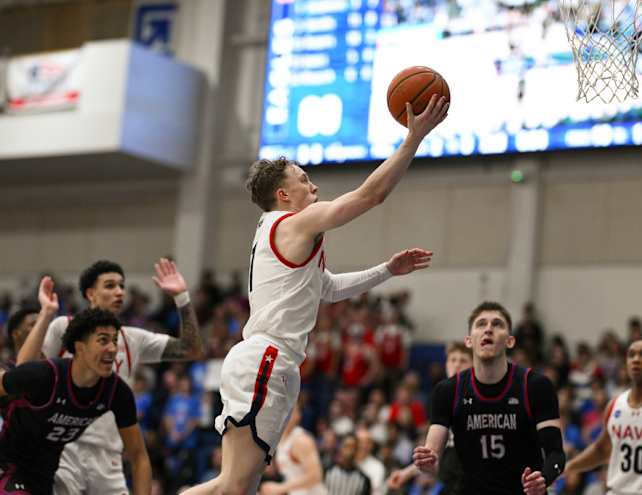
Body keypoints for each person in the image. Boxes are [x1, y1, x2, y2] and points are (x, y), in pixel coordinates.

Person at [182, 94, 449, 495]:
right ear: (284, 195)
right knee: (233, 488)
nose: (314, 185)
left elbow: (328, 288)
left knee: (235, 487)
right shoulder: (291, 225)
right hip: (266, 360)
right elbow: (369, 196)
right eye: (305, 180)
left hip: (271, 362)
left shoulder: (283, 233)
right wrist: (413, 140)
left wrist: (387, 270)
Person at [16, 258, 202, 495]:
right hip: (64, 451)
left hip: (108, 458)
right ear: (90, 293)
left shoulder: (134, 338)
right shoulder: (65, 327)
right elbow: (23, 372)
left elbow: (191, 349)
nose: (119, 292)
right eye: (110, 285)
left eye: (122, 286)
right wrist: (46, 315)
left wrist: (182, 298)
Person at [0, 277, 151, 495]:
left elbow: (139, 457)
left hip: (43, 474)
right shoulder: (46, 375)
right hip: (8, 463)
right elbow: (14, 376)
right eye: (102, 340)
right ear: (80, 347)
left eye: (114, 340)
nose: (112, 348)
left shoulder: (116, 392)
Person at [413, 301, 565, 495]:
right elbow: (433, 450)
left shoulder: (535, 385)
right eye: (481, 324)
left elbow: (556, 453)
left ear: (510, 341)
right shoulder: (448, 390)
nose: (488, 329)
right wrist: (428, 460)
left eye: (497, 324)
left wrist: (544, 478)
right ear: (469, 341)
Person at [563, 338, 642, 495]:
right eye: (631, 354)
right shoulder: (615, 404)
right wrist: (566, 468)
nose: (636, 359)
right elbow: (602, 450)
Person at [387, 342, 472, 494]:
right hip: (450, 485)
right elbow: (432, 455)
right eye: (453, 360)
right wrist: (406, 473)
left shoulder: (479, 399)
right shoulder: (443, 398)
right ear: (446, 364)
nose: (457, 365)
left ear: (473, 365)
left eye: (463, 360)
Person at [259, 402, 326, 495]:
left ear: (298, 416)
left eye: (290, 411)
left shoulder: (301, 440)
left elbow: (316, 476)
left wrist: (280, 487)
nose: (284, 414)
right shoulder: (281, 438)